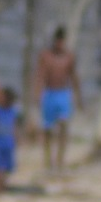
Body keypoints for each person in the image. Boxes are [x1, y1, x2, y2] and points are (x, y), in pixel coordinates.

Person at [36, 27, 80, 171]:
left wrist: (78, 96)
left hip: (63, 93)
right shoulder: (46, 56)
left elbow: (73, 77)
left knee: (63, 125)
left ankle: (60, 160)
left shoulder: (69, 56)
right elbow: (40, 76)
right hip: (49, 93)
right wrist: (37, 94)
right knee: (47, 128)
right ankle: (48, 159)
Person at [0, 87, 20, 193]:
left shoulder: (11, 111)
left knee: (5, 167)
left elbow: (15, 127)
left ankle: (2, 185)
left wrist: (17, 139)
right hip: (0, 142)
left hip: (7, 142)